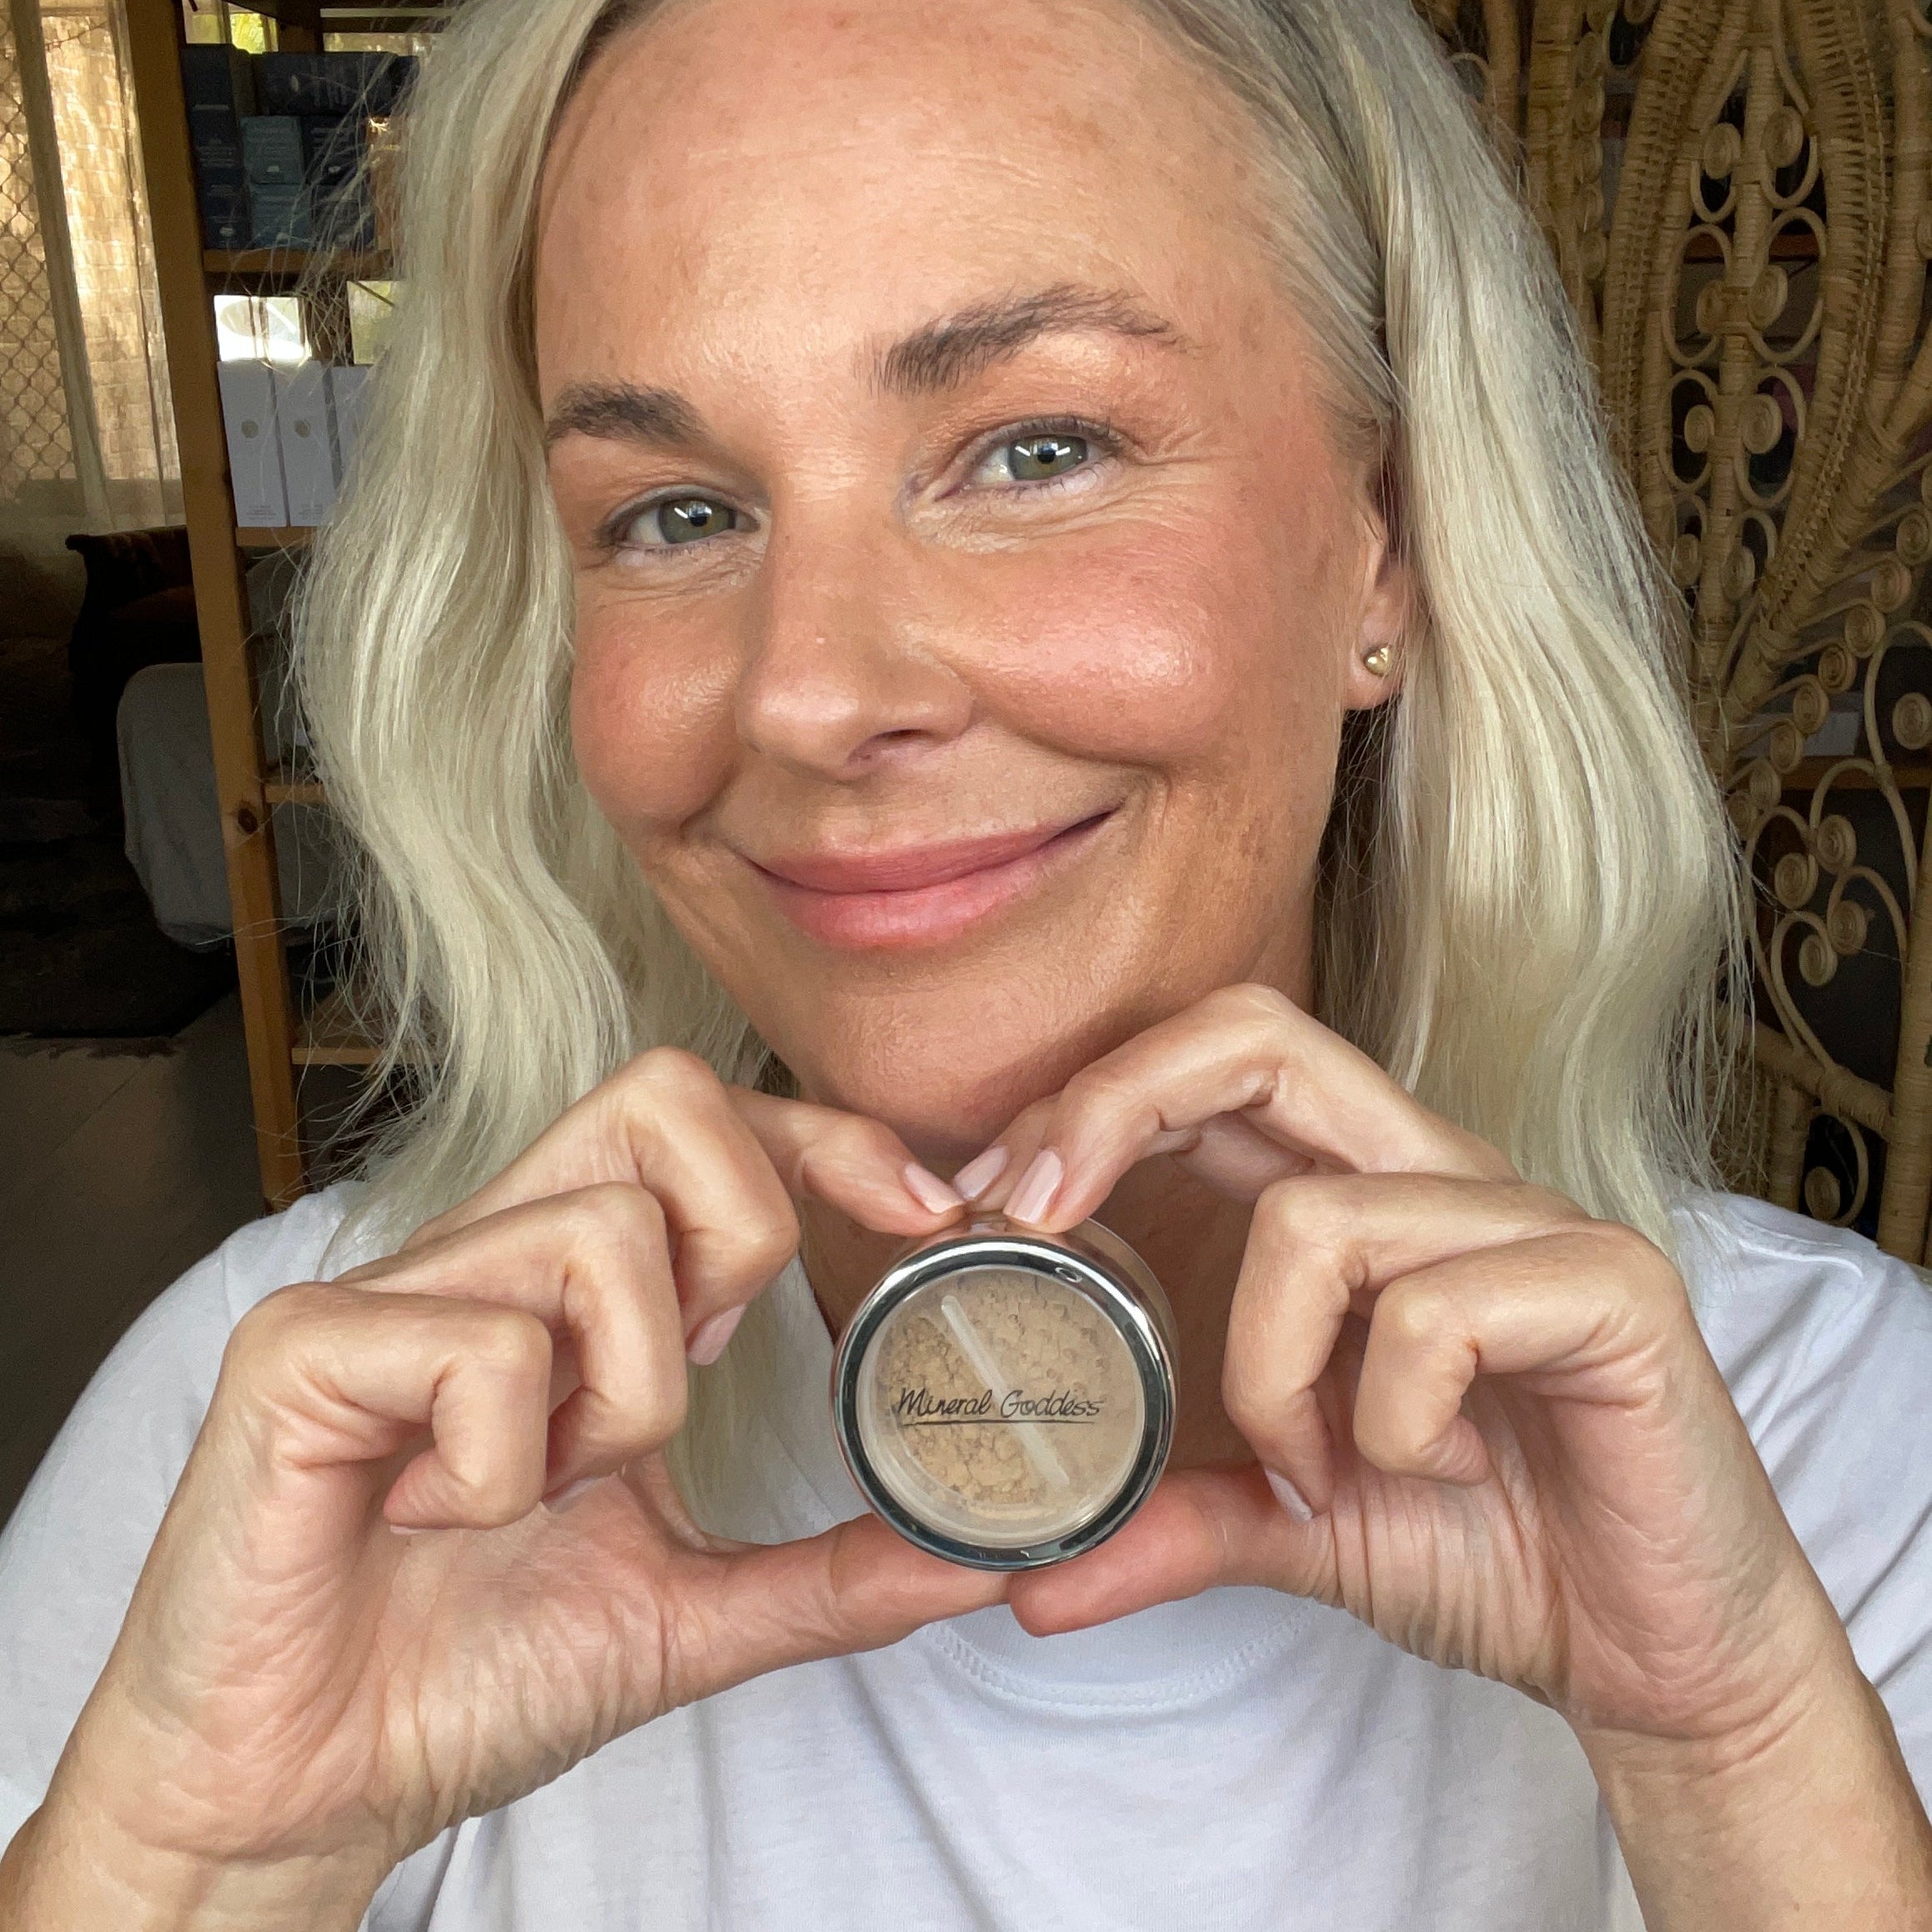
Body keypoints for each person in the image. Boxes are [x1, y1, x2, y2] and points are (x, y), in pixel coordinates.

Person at [4, 0, 1931, 1922]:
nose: (813, 693)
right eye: (676, 512)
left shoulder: (1838, 1462)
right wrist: (206, 1865)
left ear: (1388, 544)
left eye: (1034, 450)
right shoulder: (305, 1446)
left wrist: (1737, 1757)